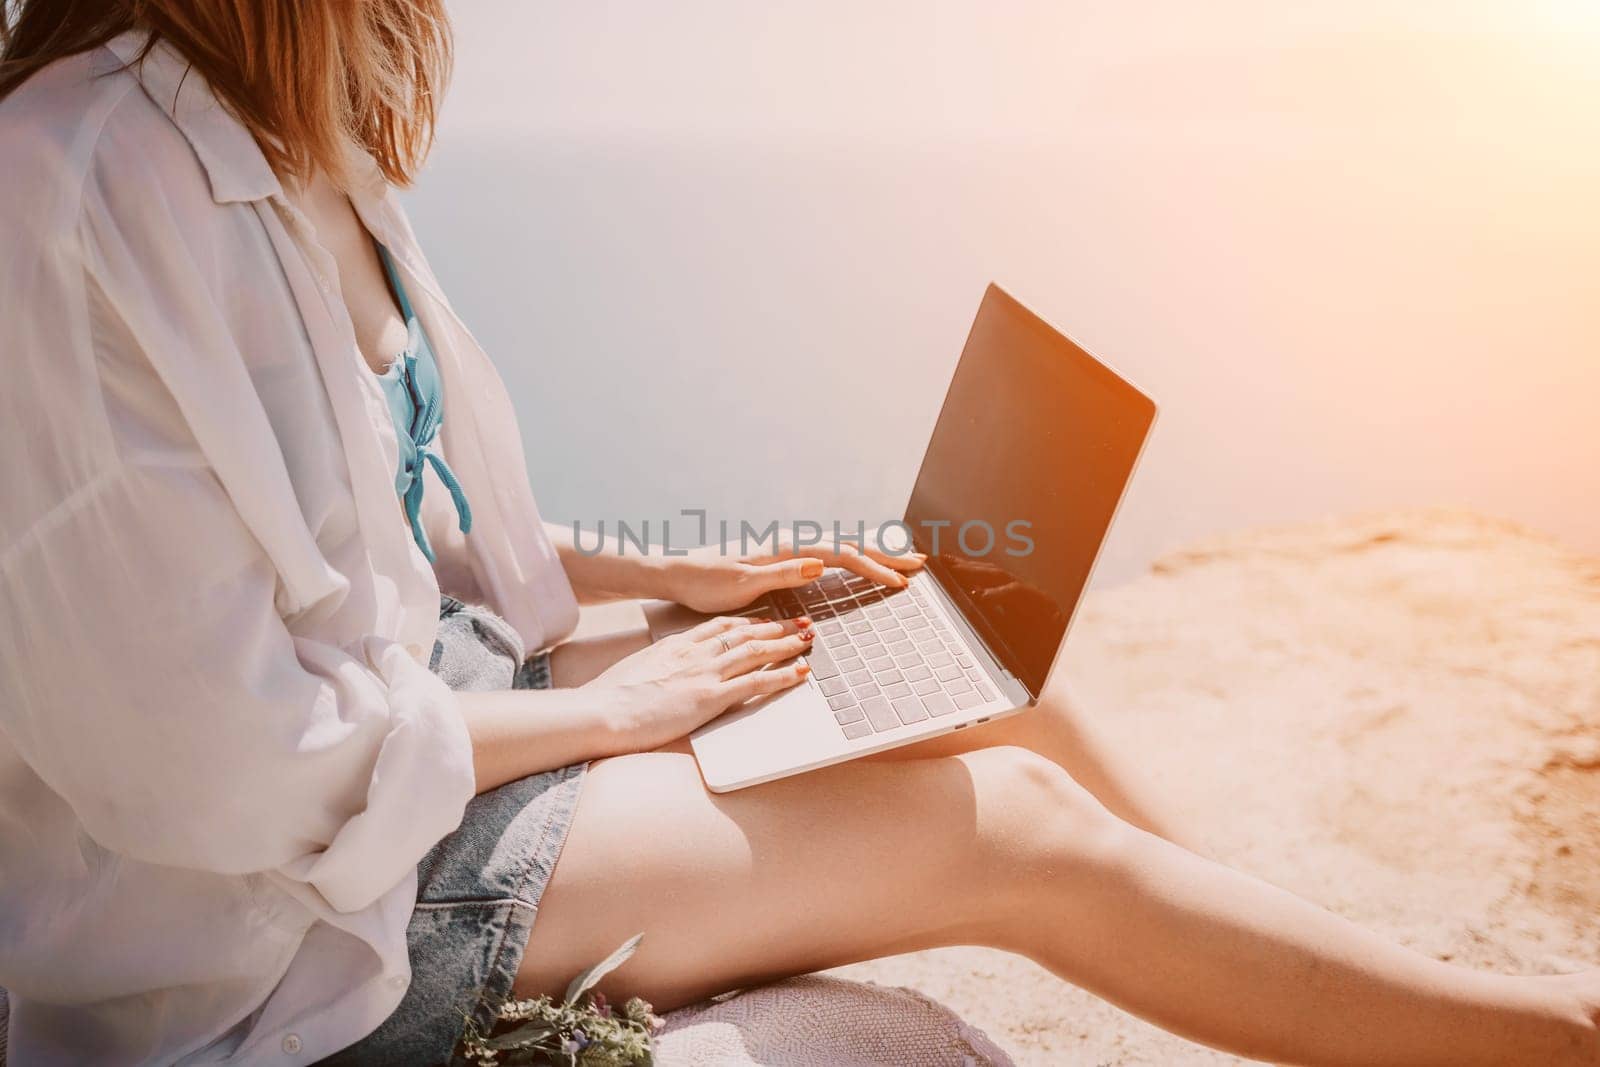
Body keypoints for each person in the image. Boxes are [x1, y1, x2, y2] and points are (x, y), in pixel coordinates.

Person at [0, 4, 1593, 1065]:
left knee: (969, 666)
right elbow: (212, 768)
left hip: (437, 726)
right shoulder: (74, 181)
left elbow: (378, 520)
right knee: (1002, 827)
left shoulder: (290, 122)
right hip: (305, 919)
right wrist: (606, 714)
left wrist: (668, 578)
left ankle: (1313, 982)